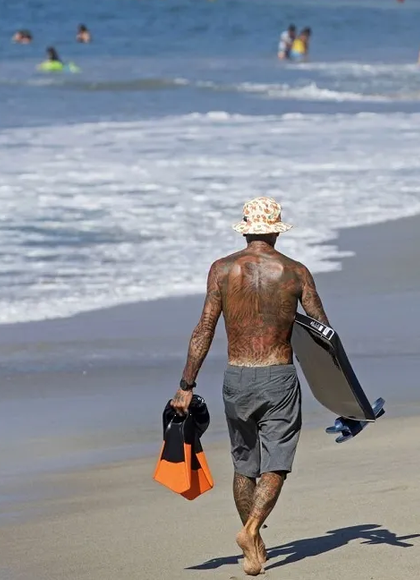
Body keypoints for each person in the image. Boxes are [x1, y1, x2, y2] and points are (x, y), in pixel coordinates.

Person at [170, 197, 328, 577]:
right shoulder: (295, 272)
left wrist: (186, 385)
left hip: (237, 376)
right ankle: (251, 530)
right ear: (275, 229)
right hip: (278, 376)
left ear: (245, 228)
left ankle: (253, 551)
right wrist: (342, 392)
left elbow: (204, 328)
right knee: (277, 462)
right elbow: (324, 332)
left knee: (245, 464)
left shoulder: (222, 270)